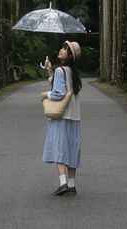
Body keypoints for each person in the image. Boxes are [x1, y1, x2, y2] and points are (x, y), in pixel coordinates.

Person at [40, 40, 82, 196]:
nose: (61, 50)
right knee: (71, 149)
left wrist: (46, 94)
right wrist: (50, 71)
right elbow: (64, 87)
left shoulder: (61, 71)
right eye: (63, 48)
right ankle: (71, 184)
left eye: (65, 49)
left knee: (59, 148)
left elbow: (59, 93)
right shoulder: (73, 72)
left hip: (61, 116)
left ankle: (62, 182)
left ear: (70, 56)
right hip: (74, 117)